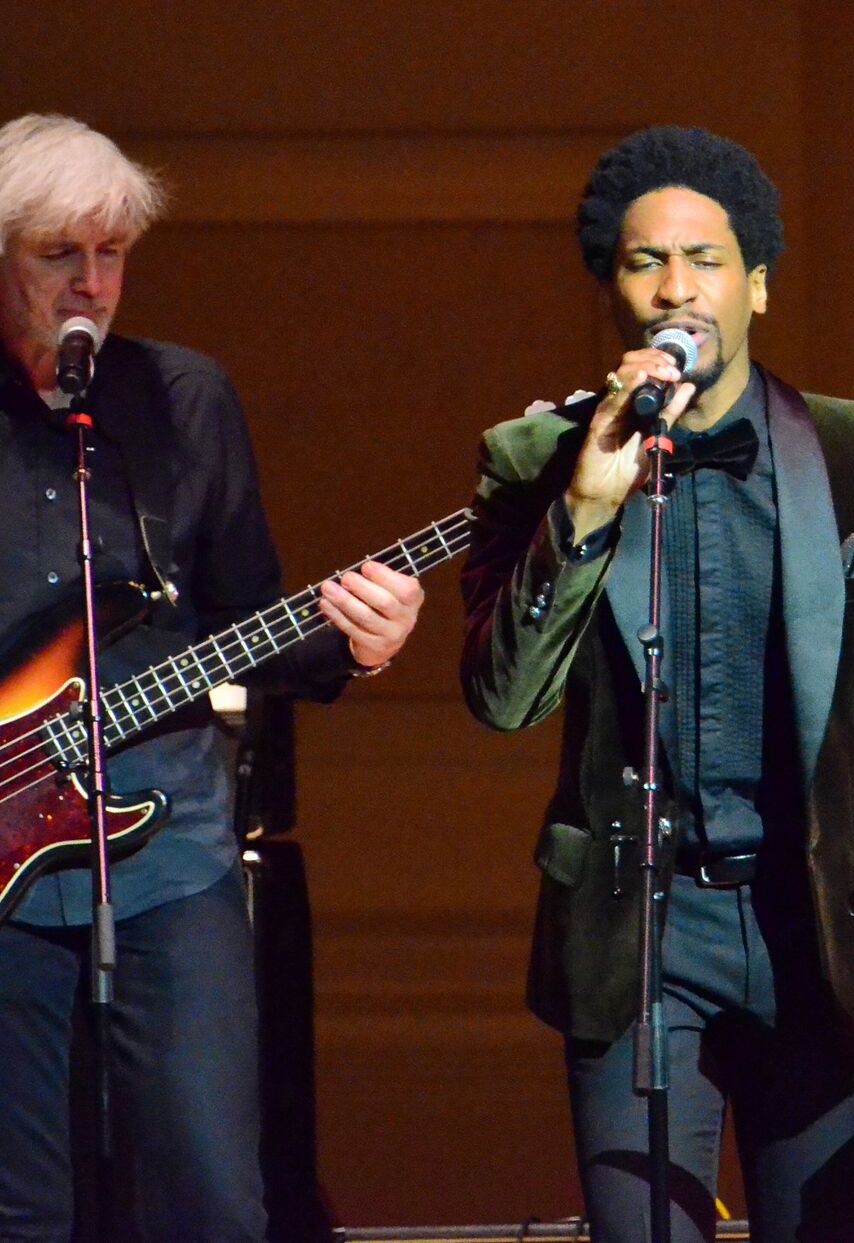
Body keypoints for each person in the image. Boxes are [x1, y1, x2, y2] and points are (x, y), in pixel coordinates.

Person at [459, 125, 854, 1243]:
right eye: (643, 261)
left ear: (756, 284)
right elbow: (504, 697)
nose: (676, 287)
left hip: (820, 929)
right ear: (612, 291)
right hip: (638, 936)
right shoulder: (537, 458)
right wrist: (587, 510)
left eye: (704, 259)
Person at [0, 114, 425, 1240]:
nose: (92, 284)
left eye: (113, 255)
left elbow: (247, 613)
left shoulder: (183, 399)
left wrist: (361, 639)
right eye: (59, 256)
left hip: (170, 849)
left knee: (212, 1197)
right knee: (21, 1205)